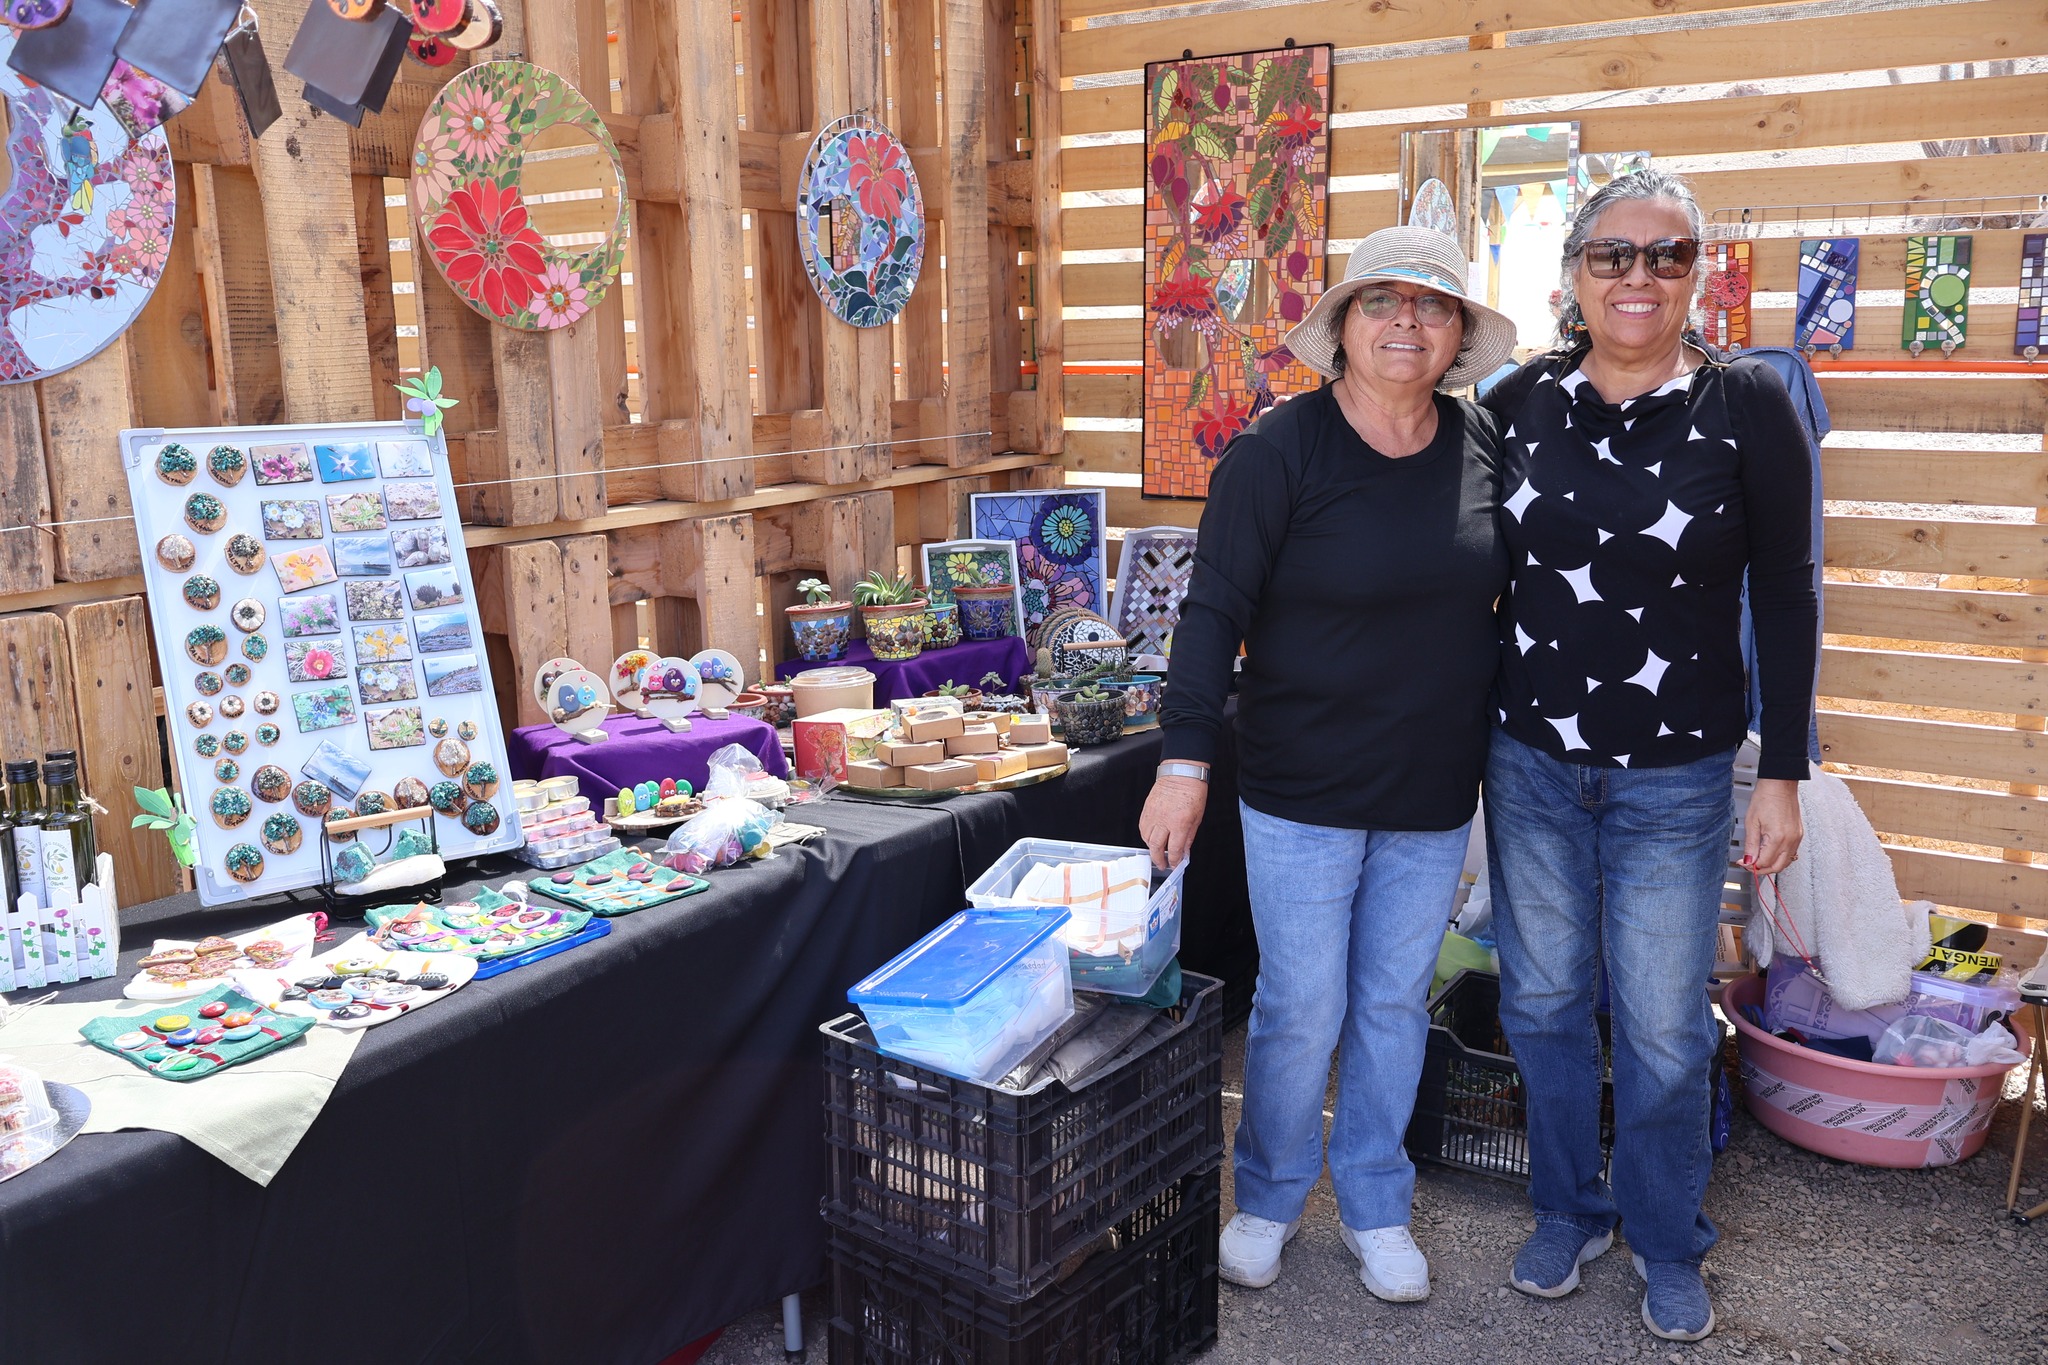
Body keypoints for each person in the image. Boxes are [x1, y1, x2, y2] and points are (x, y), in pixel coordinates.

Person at [1141, 226, 1518, 1304]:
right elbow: (1211, 610)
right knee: (1301, 1003)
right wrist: (1182, 762)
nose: (1406, 322)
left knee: (1395, 1002)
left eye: (1431, 305)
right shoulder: (1278, 451)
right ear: (1342, 329)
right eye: (1380, 302)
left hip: (1431, 785)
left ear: (1455, 336)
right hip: (1299, 782)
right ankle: (1265, 1198)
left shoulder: (1484, 446)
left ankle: (1373, 1204)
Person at [1477, 169, 1816, 1342]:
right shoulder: (1516, 402)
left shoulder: (1745, 407)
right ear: (1571, 274)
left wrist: (1783, 771)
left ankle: (1666, 1236)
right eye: (1611, 256)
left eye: (1665, 256)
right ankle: (1565, 1210)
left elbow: (1784, 590)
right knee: (1541, 1002)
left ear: (1696, 273)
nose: (1637, 277)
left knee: (1666, 1024)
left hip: (1676, 778)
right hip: (1527, 768)